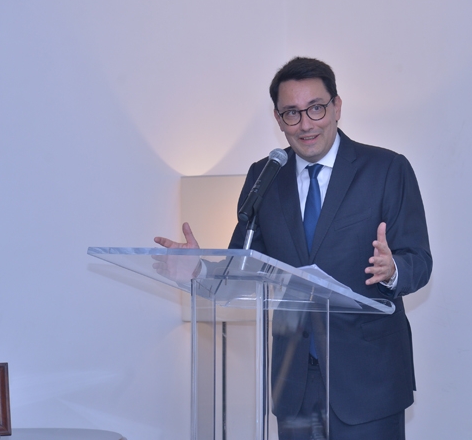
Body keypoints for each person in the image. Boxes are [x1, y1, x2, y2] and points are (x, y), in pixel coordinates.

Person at [156, 57, 432, 440]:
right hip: (295, 381)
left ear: (336, 106)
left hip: (369, 377)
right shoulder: (266, 175)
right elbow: (243, 267)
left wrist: (394, 270)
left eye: (316, 108)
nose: (305, 124)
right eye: (291, 113)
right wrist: (200, 270)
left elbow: (419, 261)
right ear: (278, 118)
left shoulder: (386, 169)